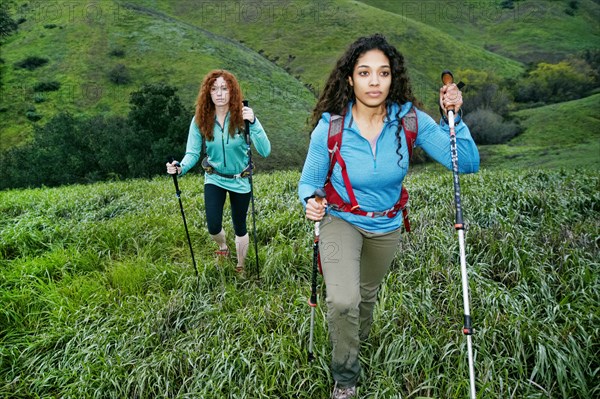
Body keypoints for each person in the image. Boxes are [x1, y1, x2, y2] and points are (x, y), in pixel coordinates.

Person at [298, 33, 479, 398]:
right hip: (340, 219)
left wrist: (454, 118)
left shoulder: (409, 120)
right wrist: (311, 202)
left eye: (383, 72)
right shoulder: (331, 127)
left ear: (393, 78)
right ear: (350, 78)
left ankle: (352, 337)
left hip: (386, 225)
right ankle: (345, 376)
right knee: (343, 300)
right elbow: (309, 182)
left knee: (365, 296)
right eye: (364, 73)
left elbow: (467, 163)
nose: (374, 81)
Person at [167, 69, 271, 273]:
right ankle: (223, 247)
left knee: (239, 225)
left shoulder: (243, 117)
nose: (220, 93)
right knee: (213, 226)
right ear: (208, 93)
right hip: (214, 178)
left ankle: (240, 266)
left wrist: (254, 122)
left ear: (233, 92)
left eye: (225, 88)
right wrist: (180, 167)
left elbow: (265, 151)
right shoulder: (201, 119)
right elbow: (192, 152)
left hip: (240, 179)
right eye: (214, 89)